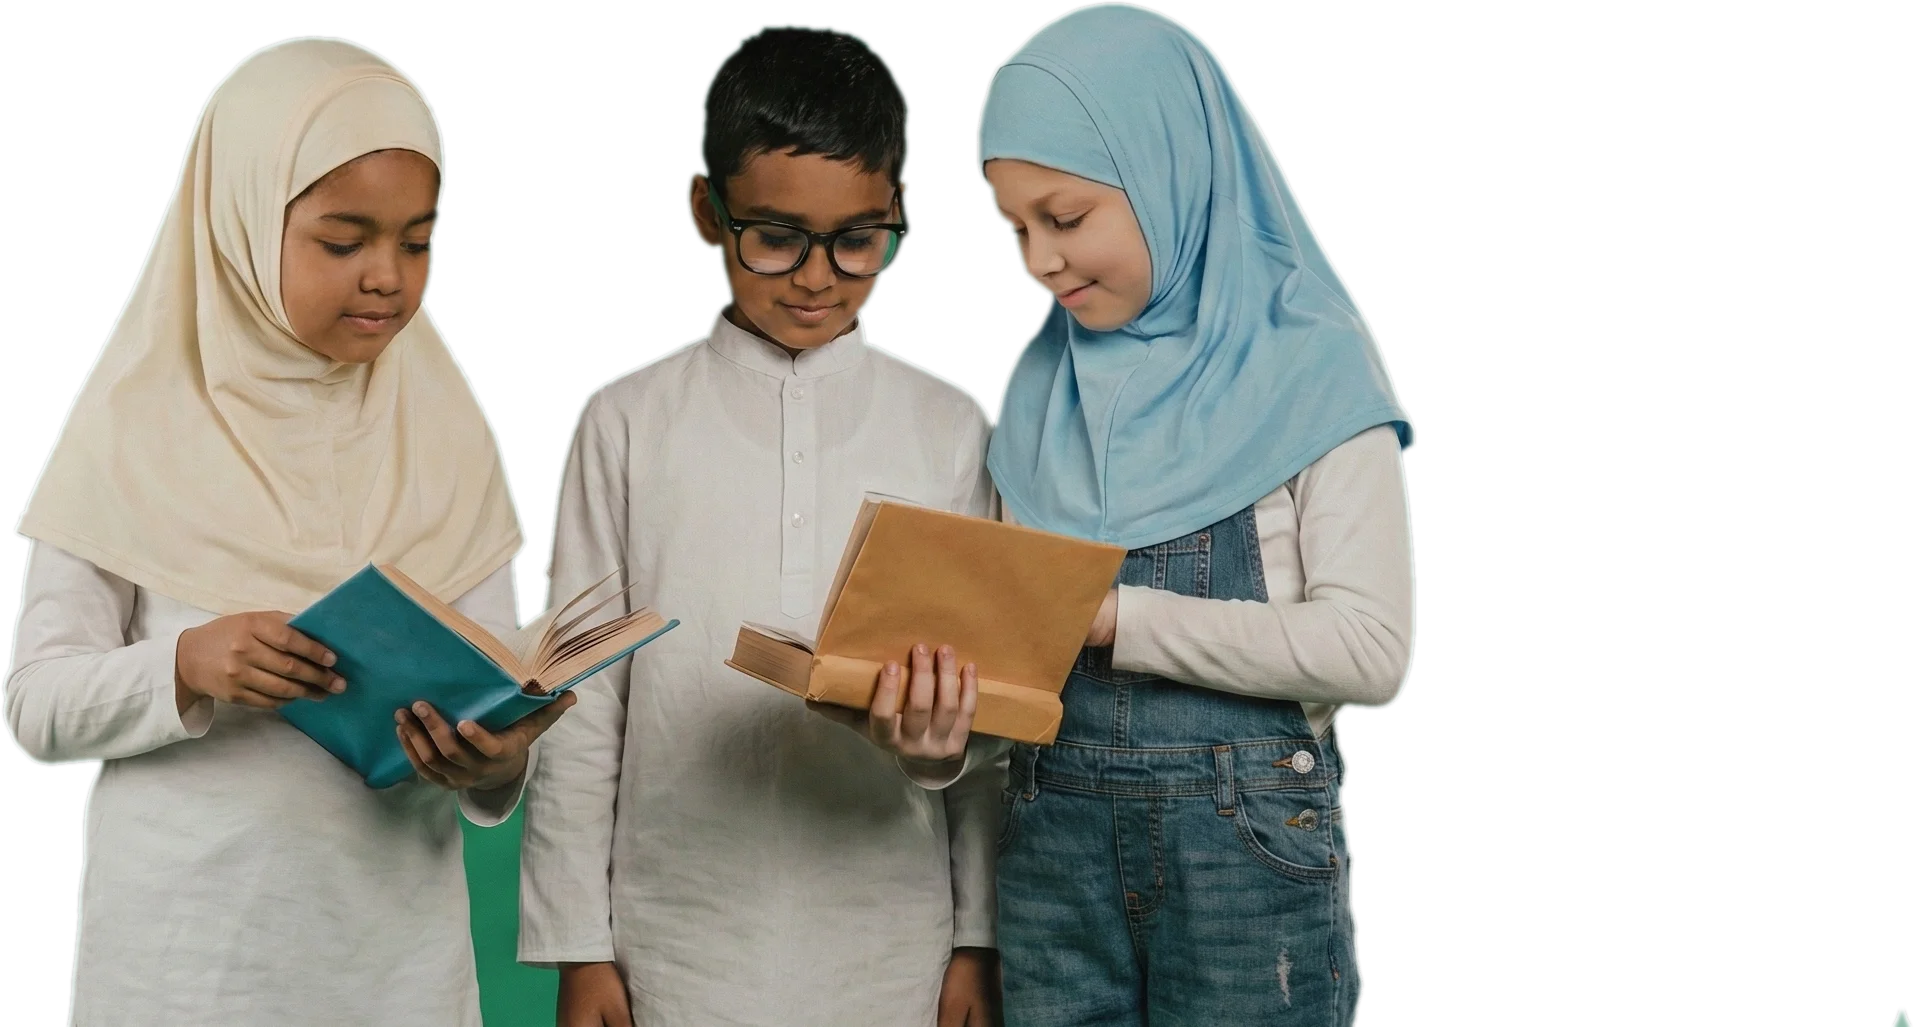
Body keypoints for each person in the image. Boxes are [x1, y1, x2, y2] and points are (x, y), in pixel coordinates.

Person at [2, 38, 572, 1026]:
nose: (387, 278)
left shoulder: (444, 432)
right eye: (343, 242)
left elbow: (495, 694)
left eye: (418, 240)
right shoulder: (133, 423)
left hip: (398, 968)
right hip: (185, 965)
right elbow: (37, 705)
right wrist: (185, 663)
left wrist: (497, 760)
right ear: (237, 220)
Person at [516, 25, 1002, 1027]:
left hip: (891, 937)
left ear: (899, 211)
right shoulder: (625, 419)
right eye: (775, 236)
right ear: (706, 209)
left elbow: (987, 719)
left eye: (857, 239)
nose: (817, 276)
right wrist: (578, 945)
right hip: (673, 937)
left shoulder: (952, 427)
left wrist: (977, 939)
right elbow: (582, 697)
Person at [975, 6, 1416, 1025]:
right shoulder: (1043, 389)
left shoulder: (1313, 364)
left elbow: (1371, 648)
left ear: (1171, 166)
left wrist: (1116, 615)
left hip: (1247, 859)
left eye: (1067, 215)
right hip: (1050, 860)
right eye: (1017, 229)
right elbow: (1008, 681)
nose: (1040, 258)